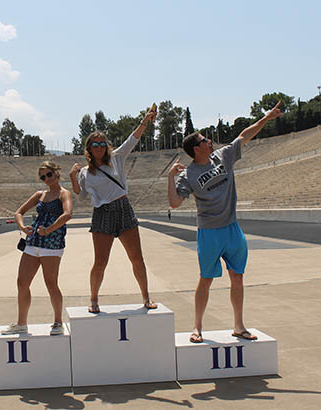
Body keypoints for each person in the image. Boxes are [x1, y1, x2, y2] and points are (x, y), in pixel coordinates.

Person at [167, 101, 283, 343]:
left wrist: (267, 118)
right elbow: (175, 203)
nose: (210, 141)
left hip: (232, 228)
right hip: (209, 233)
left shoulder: (223, 156)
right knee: (206, 279)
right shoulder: (188, 175)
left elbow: (244, 136)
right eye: (205, 140)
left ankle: (238, 326)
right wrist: (170, 177)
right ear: (196, 149)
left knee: (237, 276)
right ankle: (197, 327)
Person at [69, 105, 158, 313]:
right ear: (89, 148)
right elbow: (81, 196)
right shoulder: (84, 172)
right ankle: (93, 300)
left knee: (136, 257)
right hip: (102, 214)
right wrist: (73, 177)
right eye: (95, 144)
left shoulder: (117, 157)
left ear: (106, 146)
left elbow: (133, 138)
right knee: (100, 261)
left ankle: (146, 297)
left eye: (102, 143)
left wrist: (145, 120)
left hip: (123, 208)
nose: (99, 147)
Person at [2, 161, 73, 336]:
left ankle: (58, 322)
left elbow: (67, 214)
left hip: (52, 243)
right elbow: (19, 212)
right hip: (33, 242)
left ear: (56, 172)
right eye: (42, 177)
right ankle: (21, 323)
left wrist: (49, 230)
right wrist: (22, 226)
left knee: (51, 283)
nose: (46, 179)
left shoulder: (64, 194)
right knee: (22, 282)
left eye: (48, 174)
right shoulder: (40, 194)